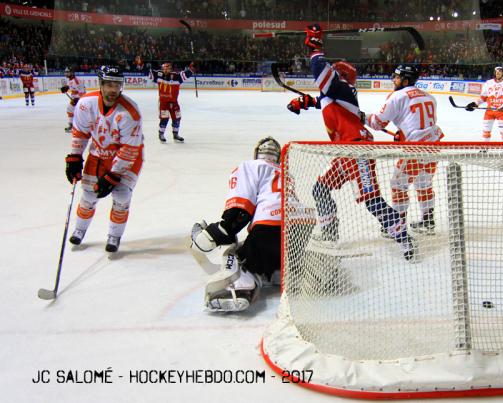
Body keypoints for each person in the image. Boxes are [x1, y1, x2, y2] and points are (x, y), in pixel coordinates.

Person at [287, 23, 415, 261]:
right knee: (321, 188)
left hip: (358, 151)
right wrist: (304, 103)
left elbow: (319, 69)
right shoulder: (341, 94)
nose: (331, 72)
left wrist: (315, 45)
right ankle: (330, 233)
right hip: (346, 151)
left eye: (335, 70)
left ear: (341, 76)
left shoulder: (341, 88)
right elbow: (323, 101)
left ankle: (404, 238)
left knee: (371, 201)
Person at [191, 137, 314, 312]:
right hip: (302, 226)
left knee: (235, 254)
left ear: (257, 154)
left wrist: (212, 235)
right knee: (272, 251)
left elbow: (239, 212)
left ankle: (240, 287)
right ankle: (280, 271)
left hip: (270, 226)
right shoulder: (284, 172)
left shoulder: (250, 166)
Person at [64, 65, 144, 253]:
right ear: (100, 84)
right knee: (89, 194)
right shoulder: (86, 104)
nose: (113, 90)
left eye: (117, 85)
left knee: (122, 197)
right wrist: (75, 157)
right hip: (99, 153)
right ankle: (80, 229)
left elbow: (129, 149)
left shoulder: (129, 112)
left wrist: (113, 175)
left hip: (128, 158)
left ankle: (114, 235)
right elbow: (80, 132)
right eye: (108, 85)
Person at [365, 64, 444, 234]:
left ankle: (398, 226)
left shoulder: (397, 96)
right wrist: (402, 133)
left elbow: (377, 123)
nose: (394, 80)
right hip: (434, 145)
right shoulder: (429, 96)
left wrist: (362, 117)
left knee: (398, 185)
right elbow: (420, 122)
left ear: (406, 80)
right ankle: (428, 221)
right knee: (424, 183)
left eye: (397, 77)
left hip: (415, 149)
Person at [465, 66, 503, 141]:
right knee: (486, 131)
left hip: (502, 111)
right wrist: (475, 104)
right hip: (489, 111)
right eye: (496, 71)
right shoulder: (489, 83)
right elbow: (483, 97)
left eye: (499, 71)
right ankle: (484, 149)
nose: (497, 72)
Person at [148, 62, 196, 143]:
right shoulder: (158, 75)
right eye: (164, 68)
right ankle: (161, 134)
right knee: (164, 118)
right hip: (164, 103)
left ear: (170, 69)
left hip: (174, 102)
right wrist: (140, 65)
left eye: (167, 68)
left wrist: (192, 69)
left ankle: (175, 134)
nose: (166, 70)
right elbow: (147, 72)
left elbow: (186, 74)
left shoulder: (177, 76)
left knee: (177, 118)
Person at [60, 67, 87, 133]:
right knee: (70, 110)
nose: (66, 73)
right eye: (65, 72)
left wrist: (78, 99)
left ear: (72, 72)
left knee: (74, 111)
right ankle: (73, 125)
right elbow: (70, 86)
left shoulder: (76, 80)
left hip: (79, 99)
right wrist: (66, 88)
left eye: (68, 72)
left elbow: (82, 91)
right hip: (75, 99)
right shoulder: (71, 79)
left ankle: (74, 126)